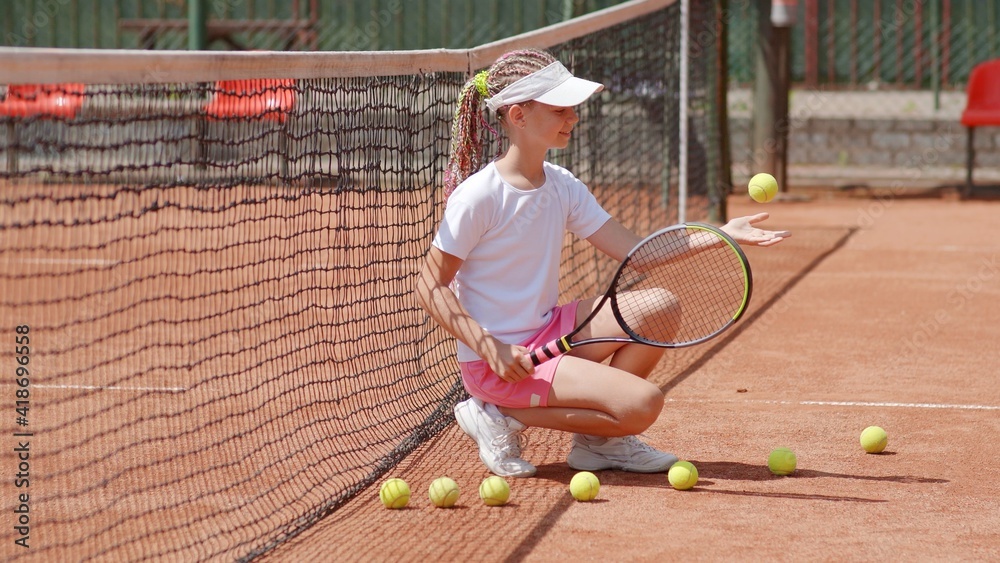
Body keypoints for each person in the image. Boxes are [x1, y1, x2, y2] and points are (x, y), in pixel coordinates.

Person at [414, 48, 790, 478]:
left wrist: (722, 232)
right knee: (642, 404)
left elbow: (639, 252)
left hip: (547, 330)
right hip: (496, 362)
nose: (572, 118)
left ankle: (599, 444)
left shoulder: (562, 185)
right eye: (560, 110)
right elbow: (429, 286)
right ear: (518, 116)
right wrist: (490, 347)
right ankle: (498, 412)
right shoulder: (479, 196)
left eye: (572, 108)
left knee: (660, 306)